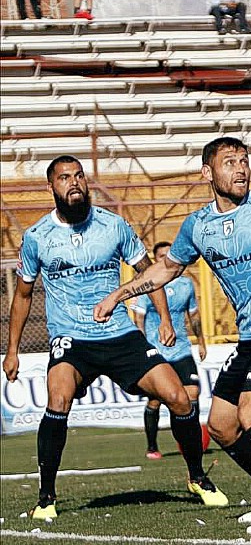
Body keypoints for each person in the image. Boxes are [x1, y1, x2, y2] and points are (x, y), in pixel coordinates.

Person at [94, 137, 251, 535]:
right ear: (207, 173)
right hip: (250, 339)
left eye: (245, 161)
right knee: (221, 425)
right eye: (230, 162)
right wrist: (118, 293)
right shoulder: (197, 225)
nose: (241, 169)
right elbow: (165, 270)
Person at [2, 156, 227, 520]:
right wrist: (12, 351)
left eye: (78, 176)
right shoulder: (36, 237)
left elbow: (148, 273)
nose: (73, 182)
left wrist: (166, 319)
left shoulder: (114, 226)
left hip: (120, 334)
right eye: (64, 178)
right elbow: (23, 296)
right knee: (58, 400)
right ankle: (46, 498)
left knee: (179, 397)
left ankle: (197, 477)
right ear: (51, 188)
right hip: (71, 338)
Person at [131, 241, 206, 460]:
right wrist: (141, 347)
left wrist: (200, 341)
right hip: (157, 351)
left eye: (168, 255)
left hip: (181, 349)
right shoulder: (148, 285)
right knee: (156, 400)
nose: (165, 258)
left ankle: (189, 441)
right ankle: (152, 446)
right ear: (155, 260)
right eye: (160, 255)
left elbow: (193, 314)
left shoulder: (186, 284)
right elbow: (139, 318)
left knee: (192, 393)